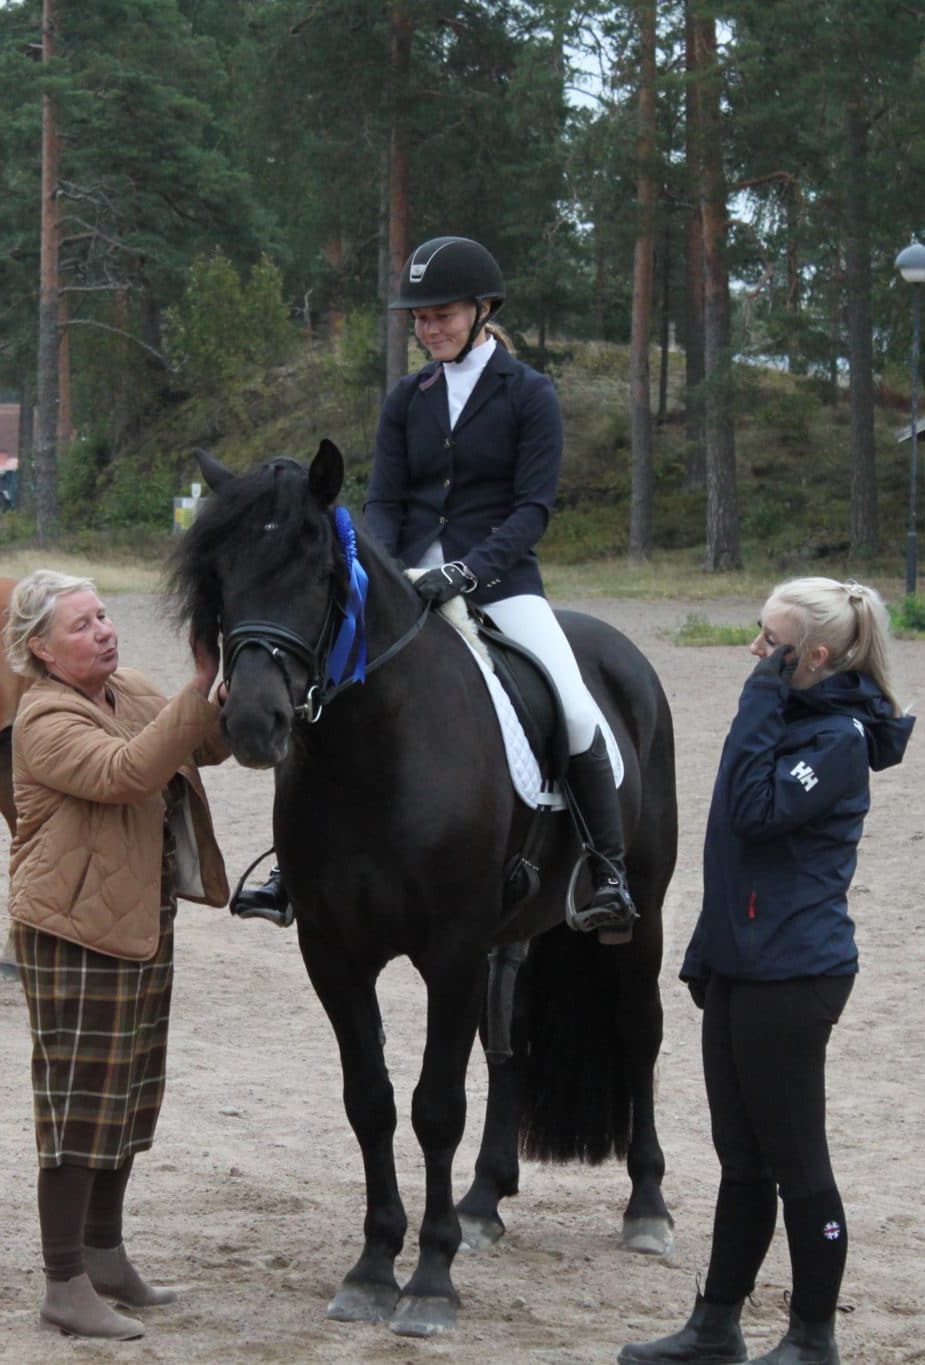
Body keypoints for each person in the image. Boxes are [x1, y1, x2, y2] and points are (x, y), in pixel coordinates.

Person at [229, 233, 633, 935]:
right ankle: (291, 868)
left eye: (441, 315)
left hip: (499, 581)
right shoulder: (407, 397)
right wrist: (374, 570)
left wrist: (470, 568)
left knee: (572, 706)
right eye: (419, 318)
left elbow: (532, 508)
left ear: (481, 310)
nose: (429, 329)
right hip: (404, 579)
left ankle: (608, 871)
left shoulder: (529, 393)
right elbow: (383, 499)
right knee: (321, 689)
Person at [619, 577, 913, 1365]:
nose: (755, 652)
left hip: (795, 972)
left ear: (811, 657)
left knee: (797, 1163)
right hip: (745, 961)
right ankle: (716, 1325)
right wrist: (710, 952)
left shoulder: (839, 741)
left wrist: (758, 698)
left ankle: (813, 1335)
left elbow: (752, 809)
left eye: (769, 644)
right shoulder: (794, 716)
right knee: (740, 1159)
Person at [2, 570, 230, 1340]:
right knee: (77, 1110)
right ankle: (63, 1281)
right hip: (71, 928)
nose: (103, 629)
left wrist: (235, 688)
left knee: (129, 1098)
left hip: (138, 915)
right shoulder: (41, 716)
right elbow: (128, 771)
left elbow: (193, 737)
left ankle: (105, 1255)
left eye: (103, 615)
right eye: (81, 624)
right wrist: (197, 688)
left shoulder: (123, 687)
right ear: (40, 647)